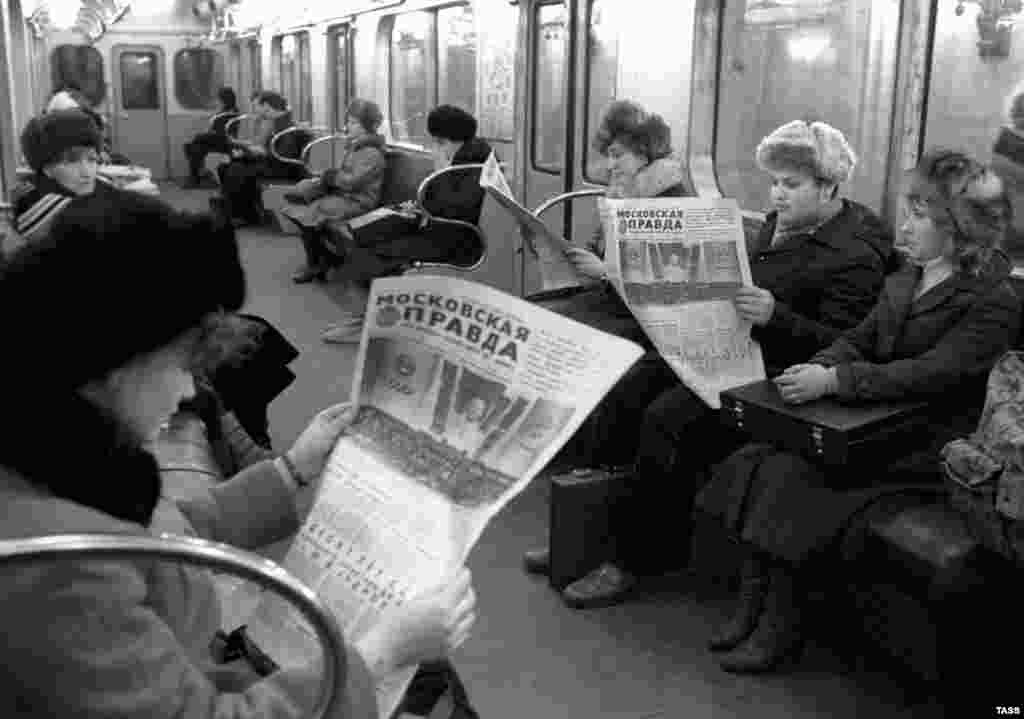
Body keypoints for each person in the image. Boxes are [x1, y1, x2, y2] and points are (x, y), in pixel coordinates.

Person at [0, 192, 476, 717]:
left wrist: (293, 470)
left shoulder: (59, 461)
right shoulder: (61, 569)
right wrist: (381, 653)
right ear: (112, 366)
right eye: (180, 366)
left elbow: (164, 538)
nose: (187, 392)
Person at [524, 119, 894, 610]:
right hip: (729, 349)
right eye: (775, 182)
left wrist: (776, 316)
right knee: (627, 383)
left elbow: (842, 343)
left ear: (830, 186)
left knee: (667, 418)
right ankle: (587, 532)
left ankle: (635, 557)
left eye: (792, 184)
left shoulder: (856, 256)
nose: (777, 195)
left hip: (776, 375)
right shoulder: (780, 227)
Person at [697, 148, 1020, 675]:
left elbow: (934, 373)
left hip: (929, 437)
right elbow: (858, 339)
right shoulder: (906, 278)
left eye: (919, 215)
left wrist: (837, 381)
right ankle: (752, 604)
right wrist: (820, 365)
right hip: (876, 420)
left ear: (959, 229)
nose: (905, 225)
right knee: (767, 455)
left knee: (796, 472)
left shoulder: (993, 299)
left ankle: (780, 621)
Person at [317, 105, 494, 344]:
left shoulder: (472, 167)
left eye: (438, 142)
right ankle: (367, 317)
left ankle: (375, 323)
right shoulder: (463, 160)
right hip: (439, 231)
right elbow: (438, 204)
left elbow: (456, 210)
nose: (435, 147)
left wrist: (441, 173)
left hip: (455, 240)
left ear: (449, 140)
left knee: (374, 252)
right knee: (367, 239)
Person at [529, 100, 689, 345]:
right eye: (608, 156)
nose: (610, 165)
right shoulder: (621, 193)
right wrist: (564, 256)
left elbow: (672, 286)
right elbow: (597, 248)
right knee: (532, 310)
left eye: (617, 155)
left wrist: (606, 273)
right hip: (611, 299)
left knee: (546, 328)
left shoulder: (672, 200)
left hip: (644, 321)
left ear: (644, 154)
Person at [281, 99, 387, 284]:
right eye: (349, 121)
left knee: (312, 212)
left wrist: (331, 178)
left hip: (359, 202)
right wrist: (329, 178)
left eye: (354, 122)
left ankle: (317, 263)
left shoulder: (371, 153)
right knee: (308, 211)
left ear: (367, 126)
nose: (348, 126)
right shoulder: (357, 147)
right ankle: (321, 260)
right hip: (346, 197)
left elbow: (352, 182)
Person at [13, 109, 119, 243]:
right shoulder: (37, 206)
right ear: (47, 168)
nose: (86, 172)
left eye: (92, 159)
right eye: (72, 161)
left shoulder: (70, 189)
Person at [216, 91, 308, 227]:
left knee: (237, 170)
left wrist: (261, 152)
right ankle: (238, 211)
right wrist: (253, 152)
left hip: (284, 169)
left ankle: (244, 214)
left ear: (266, 106)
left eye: (258, 106)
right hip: (276, 164)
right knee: (230, 166)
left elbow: (283, 156)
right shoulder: (279, 123)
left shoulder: (286, 126)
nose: (256, 111)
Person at [183, 87, 242, 188]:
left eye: (219, 99)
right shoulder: (223, 111)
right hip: (217, 140)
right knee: (192, 146)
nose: (217, 101)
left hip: (226, 142)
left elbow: (224, 133)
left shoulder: (232, 113)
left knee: (196, 143)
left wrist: (204, 135)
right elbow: (214, 129)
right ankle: (196, 176)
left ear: (224, 99)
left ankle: (195, 177)